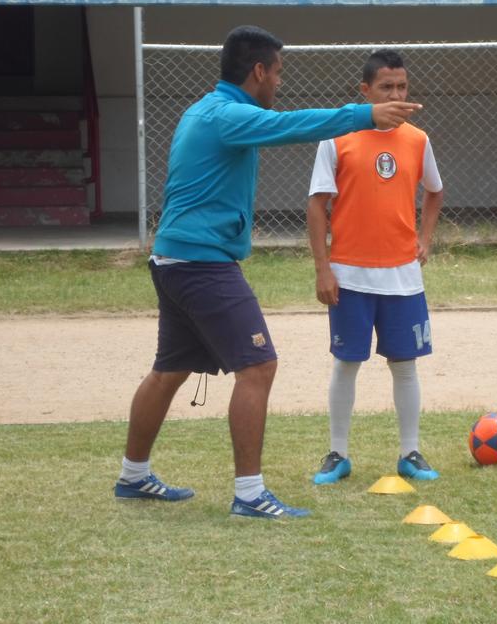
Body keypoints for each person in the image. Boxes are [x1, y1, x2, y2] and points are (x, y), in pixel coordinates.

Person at [113, 26, 421, 518]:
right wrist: (365, 115)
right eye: (277, 72)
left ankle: (132, 476)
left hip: (174, 258)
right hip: (200, 262)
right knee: (258, 366)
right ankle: (251, 495)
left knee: (170, 369)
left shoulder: (204, 109)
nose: (279, 82)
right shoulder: (229, 116)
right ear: (258, 71)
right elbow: (292, 126)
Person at [306, 49, 444, 485]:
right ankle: (337, 454)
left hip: (403, 275)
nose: (397, 95)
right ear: (364, 92)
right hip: (349, 273)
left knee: (404, 364)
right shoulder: (337, 137)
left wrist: (424, 239)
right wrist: (322, 267)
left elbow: (435, 192)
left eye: (402, 86)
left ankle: (410, 453)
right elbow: (316, 205)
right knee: (347, 363)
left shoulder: (418, 140)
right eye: (386, 87)